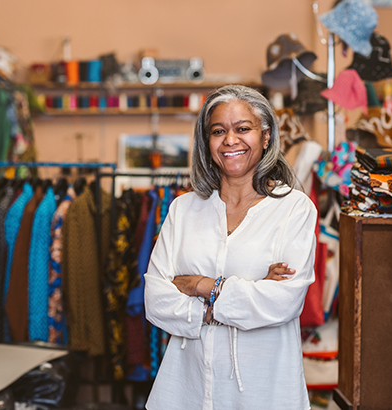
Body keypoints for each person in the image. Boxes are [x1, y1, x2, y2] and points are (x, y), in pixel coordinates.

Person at [144, 84, 317, 410]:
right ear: (206, 142)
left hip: (264, 392)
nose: (230, 140)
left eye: (243, 129)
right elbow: (156, 300)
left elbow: (283, 302)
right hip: (186, 391)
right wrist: (248, 292)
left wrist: (199, 285)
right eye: (218, 131)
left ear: (265, 136)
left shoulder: (294, 209)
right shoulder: (183, 210)